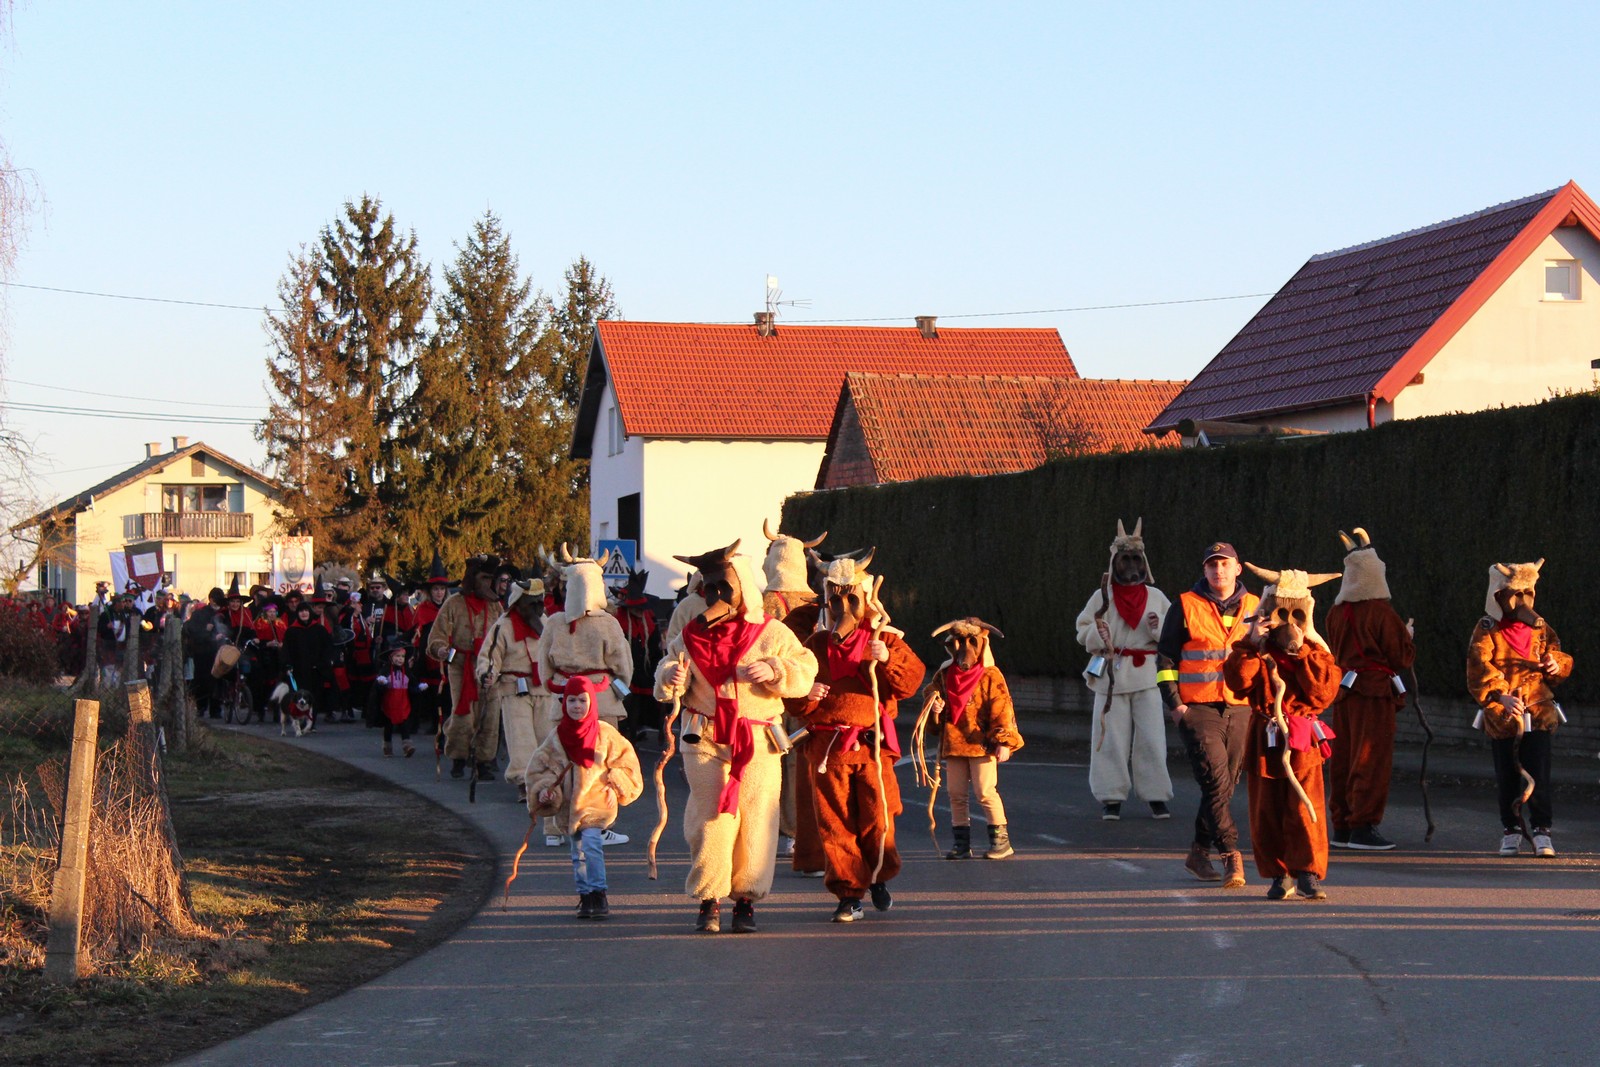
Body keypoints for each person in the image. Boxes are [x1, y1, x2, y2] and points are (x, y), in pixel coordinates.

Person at [655, 540, 817, 934]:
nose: (715, 597)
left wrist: (776, 669)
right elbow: (666, 672)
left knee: (758, 818)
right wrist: (670, 678)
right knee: (712, 817)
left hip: (759, 740)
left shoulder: (772, 633)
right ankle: (709, 899)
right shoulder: (692, 635)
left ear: (743, 587)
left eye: (723, 588)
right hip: (705, 737)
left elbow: (806, 669)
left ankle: (746, 899)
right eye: (709, 589)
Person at [797, 553, 924, 922]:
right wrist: (807, 695)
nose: (844, 608)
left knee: (878, 819)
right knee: (835, 824)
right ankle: (848, 892)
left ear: (866, 599)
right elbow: (792, 693)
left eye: (852, 599)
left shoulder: (883, 638)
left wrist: (887, 658)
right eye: (836, 600)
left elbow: (910, 682)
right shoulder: (815, 645)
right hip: (828, 750)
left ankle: (879, 876)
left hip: (871, 747)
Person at [1225, 565, 1343, 901]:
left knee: (1305, 806)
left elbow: (1322, 692)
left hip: (1302, 736)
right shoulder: (1256, 651)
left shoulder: (1317, 652)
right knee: (1267, 809)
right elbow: (1238, 682)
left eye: (1296, 616)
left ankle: (1306, 872)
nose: (1289, 624)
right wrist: (1252, 642)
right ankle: (1279, 874)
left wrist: (1303, 648)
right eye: (1282, 615)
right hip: (1266, 734)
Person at [1156, 541, 1258, 889]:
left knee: (1225, 785)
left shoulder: (1256, 606)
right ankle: (1231, 855)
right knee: (1215, 781)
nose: (1219, 571)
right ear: (1204, 570)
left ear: (1237, 568)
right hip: (1197, 708)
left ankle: (1198, 852)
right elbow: (1166, 659)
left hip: (1241, 706)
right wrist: (1175, 705)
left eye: (1225, 564)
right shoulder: (1185, 605)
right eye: (1212, 565)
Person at [1467, 560, 1573, 858]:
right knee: (1507, 776)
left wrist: (1556, 663)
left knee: (1539, 772)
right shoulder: (1486, 628)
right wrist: (1500, 695)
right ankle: (1511, 830)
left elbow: (1557, 656)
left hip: (1537, 711)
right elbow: (1478, 666)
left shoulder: (1542, 629)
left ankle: (1542, 831)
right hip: (1504, 716)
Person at [1074, 519, 1174, 821]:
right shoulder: (1102, 596)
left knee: (1152, 738)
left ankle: (1156, 795)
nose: (1130, 565)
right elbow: (1082, 630)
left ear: (1143, 563)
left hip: (1146, 678)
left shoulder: (1157, 597)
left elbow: (1174, 636)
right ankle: (1111, 796)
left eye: (1135, 559)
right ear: (1114, 563)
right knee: (1110, 739)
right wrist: (1097, 634)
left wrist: (1159, 631)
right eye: (1125, 559)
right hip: (1111, 678)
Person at [1324, 528, 1415, 851]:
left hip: (1345, 691)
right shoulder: (1381, 612)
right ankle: (1364, 824)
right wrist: (1406, 635)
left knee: (1345, 756)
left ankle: (1343, 824)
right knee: (1371, 758)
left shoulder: (1335, 612)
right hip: (1374, 693)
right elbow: (1399, 656)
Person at [526, 676, 644, 920]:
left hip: (597, 803)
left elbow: (627, 763)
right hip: (569, 807)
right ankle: (585, 896)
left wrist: (616, 783)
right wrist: (546, 790)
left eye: (582, 700)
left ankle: (599, 894)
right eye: (571, 700)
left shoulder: (606, 733)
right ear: (564, 703)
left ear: (592, 702)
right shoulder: (557, 737)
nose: (577, 705)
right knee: (576, 852)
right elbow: (540, 769)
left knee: (591, 845)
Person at [922, 617, 1024, 860]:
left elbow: (1002, 708)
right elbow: (932, 693)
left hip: (982, 745)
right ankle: (961, 845)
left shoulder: (991, 675)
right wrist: (934, 705)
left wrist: (1003, 742)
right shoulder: (945, 674)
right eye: (959, 642)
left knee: (985, 792)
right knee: (955, 794)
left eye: (971, 641)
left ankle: (1001, 843)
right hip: (955, 743)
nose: (964, 648)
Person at [760, 523, 828, 876]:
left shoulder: (762, 603)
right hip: (804, 689)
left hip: (771, 691)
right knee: (798, 763)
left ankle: (779, 831)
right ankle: (798, 831)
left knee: (772, 763)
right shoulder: (817, 603)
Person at [426, 554, 503, 781]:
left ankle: (484, 761)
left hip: (489, 666)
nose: (488, 584)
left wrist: (499, 663)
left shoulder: (496, 606)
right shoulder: (453, 604)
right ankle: (458, 758)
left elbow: (504, 637)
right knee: (463, 715)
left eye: (491, 579)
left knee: (490, 716)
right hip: (461, 666)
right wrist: (442, 650)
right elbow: (437, 636)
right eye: (484, 578)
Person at [476, 578, 551, 804]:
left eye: (540, 603)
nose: (538, 608)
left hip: (543, 689)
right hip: (513, 689)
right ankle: (524, 782)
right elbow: (489, 655)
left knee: (545, 736)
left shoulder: (546, 624)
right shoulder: (503, 626)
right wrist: (487, 673)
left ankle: (547, 782)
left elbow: (555, 650)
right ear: (519, 602)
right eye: (532, 604)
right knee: (521, 738)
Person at [283, 595, 336, 727]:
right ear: (298, 613)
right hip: (299, 670)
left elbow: (328, 648)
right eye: (301, 611)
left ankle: (311, 723)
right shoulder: (291, 631)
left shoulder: (319, 629)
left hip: (316, 669)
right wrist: (288, 665)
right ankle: (300, 721)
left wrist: (325, 662)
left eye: (306, 610)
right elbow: (286, 650)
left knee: (314, 697)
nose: (304, 613)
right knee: (299, 697)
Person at [368, 636, 422, 757]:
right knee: (388, 726)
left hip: (403, 703)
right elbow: (378, 689)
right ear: (391, 657)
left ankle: (407, 746)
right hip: (389, 703)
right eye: (397, 656)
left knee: (404, 724)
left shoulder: (407, 672)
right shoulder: (385, 671)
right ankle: (387, 746)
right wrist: (382, 684)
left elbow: (412, 685)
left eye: (402, 657)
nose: (400, 659)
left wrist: (418, 688)